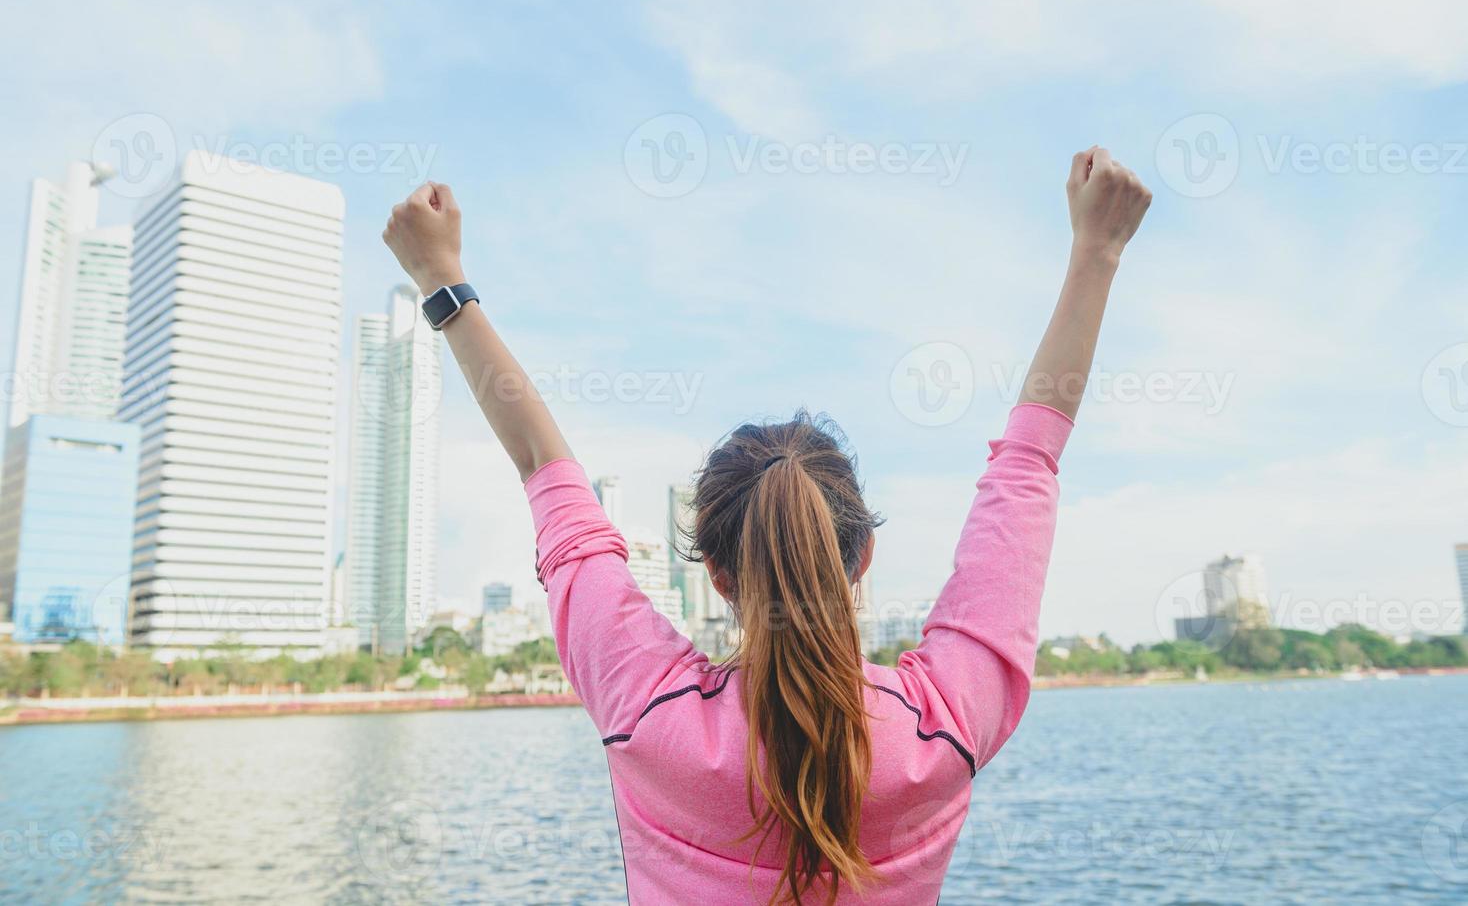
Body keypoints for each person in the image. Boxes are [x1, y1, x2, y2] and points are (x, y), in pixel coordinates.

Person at [381, 146, 1151, 905]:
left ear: (716, 577)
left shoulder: (646, 708)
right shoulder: (943, 724)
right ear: (862, 558)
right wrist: (1097, 250)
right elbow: (1027, 465)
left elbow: (542, 466)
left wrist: (442, 281)